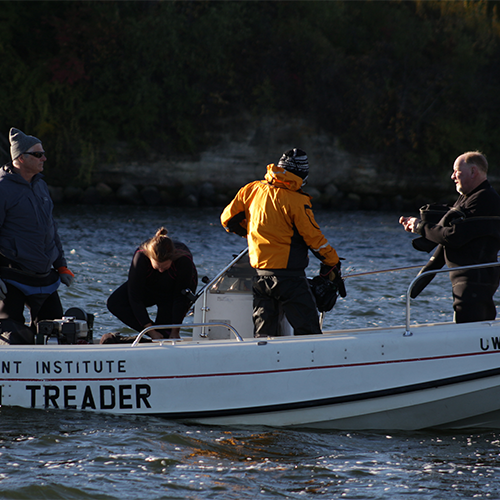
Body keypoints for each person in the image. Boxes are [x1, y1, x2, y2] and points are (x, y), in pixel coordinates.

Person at [221, 148, 344, 337]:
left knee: (264, 337)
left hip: (260, 278)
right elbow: (314, 239)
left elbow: (227, 220)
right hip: (290, 280)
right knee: (309, 333)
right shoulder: (296, 200)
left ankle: (264, 366)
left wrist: (253, 234)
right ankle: (311, 366)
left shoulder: (252, 189)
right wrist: (333, 261)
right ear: (301, 175)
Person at [400, 151, 500, 323]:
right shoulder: (468, 198)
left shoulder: (484, 199)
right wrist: (422, 278)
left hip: (474, 284)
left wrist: (419, 226)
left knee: (470, 333)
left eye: (456, 171)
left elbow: (453, 237)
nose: (452, 176)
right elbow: (447, 242)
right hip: (471, 283)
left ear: (473, 171)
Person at [0, 128, 74, 343]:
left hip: (46, 277)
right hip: (12, 277)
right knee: (13, 335)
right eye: (38, 154)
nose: (44, 158)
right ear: (20, 158)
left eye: (43, 153)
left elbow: (51, 229)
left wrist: (61, 265)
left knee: (57, 332)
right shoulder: (3, 188)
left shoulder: (41, 184)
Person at [106, 227, 197, 340]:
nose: (161, 271)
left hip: (173, 292)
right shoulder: (140, 258)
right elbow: (135, 297)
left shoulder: (183, 260)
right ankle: (153, 334)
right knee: (114, 303)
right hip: (150, 286)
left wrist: (175, 330)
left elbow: (181, 299)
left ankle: (163, 334)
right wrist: (151, 331)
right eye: (157, 267)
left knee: (167, 335)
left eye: (165, 267)